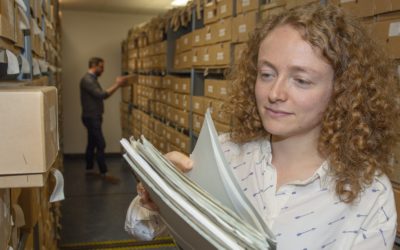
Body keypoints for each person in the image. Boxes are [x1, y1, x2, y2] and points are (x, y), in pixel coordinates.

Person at [132, 3, 400, 249]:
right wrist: (158, 195)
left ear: (343, 91)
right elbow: (141, 228)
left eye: (301, 80)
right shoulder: (225, 154)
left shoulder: (370, 193)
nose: (275, 92)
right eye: (267, 74)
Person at [80, 57, 127, 184]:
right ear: (94, 66)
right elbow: (101, 95)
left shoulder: (91, 79)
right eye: (101, 67)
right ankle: (104, 172)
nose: (103, 70)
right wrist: (118, 84)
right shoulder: (87, 80)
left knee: (92, 143)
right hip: (91, 117)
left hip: (93, 116)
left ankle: (89, 168)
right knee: (101, 144)